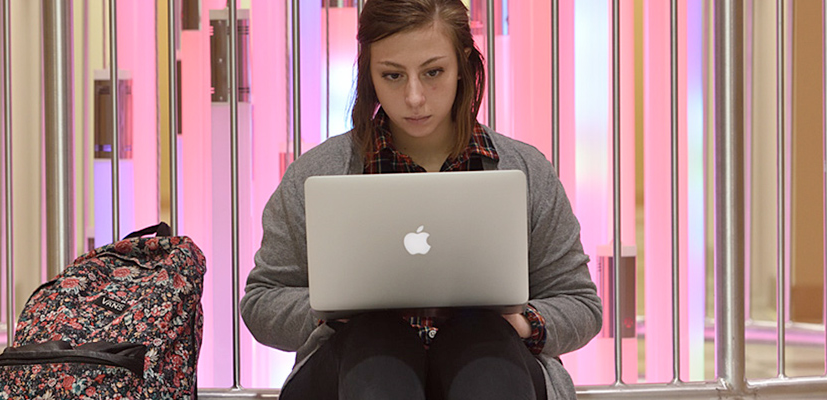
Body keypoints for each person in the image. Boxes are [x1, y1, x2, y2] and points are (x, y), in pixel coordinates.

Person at [240, 0, 602, 398]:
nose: (414, 97)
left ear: (464, 63)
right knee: (377, 343)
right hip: (353, 368)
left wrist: (525, 322)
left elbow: (580, 303)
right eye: (393, 75)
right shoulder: (317, 174)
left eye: (433, 72)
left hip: (495, 364)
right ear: (369, 72)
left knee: (481, 337)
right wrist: (325, 310)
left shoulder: (525, 170)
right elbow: (262, 302)